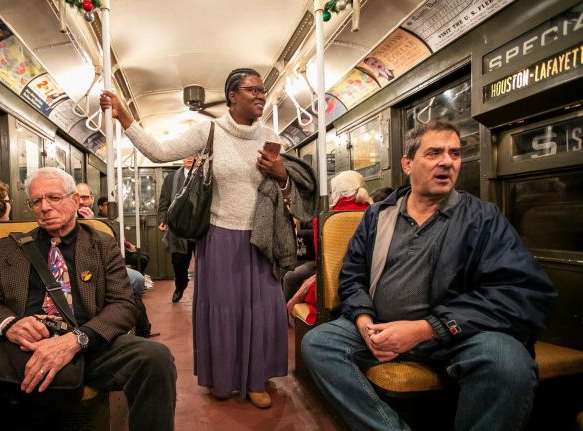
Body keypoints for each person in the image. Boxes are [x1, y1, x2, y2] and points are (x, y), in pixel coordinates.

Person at [301, 121, 556, 430]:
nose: (447, 161)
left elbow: (523, 293)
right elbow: (353, 277)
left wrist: (427, 328)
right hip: (380, 326)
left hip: (455, 335)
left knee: (507, 362)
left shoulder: (482, 218)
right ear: (407, 163)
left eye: (455, 154)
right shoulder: (378, 215)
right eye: (434, 152)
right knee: (318, 343)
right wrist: (364, 320)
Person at [0, 167, 176, 431]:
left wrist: (75, 341)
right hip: (18, 350)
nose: (45, 207)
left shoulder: (102, 245)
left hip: (87, 346)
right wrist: (10, 324)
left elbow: (123, 305)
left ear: (75, 201)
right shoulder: (5, 251)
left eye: (53, 197)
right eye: (36, 201)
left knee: (155, 358)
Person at [101, 68, 317, 409]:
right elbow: (157, 152)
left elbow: (290, 195)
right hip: (219, 236)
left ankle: (256, 379)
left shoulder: (272, 136)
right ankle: (224, 376)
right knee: (223, 309)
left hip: (262, 238)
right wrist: (125, 117)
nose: (261, 95)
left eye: (263, 90)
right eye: (252, 90)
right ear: (232, 95)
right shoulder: (210, 131)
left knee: (261, 310)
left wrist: (282, 175)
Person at [286, 170, 372, 324]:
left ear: (337, 193)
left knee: (293, 276)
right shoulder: (376, 213)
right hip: (370, 283)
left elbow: (321, 261)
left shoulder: (327, 220)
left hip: (332, 285)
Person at [75, 182, 156, 336]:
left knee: (136, 280)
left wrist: (93, 223)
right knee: (133, 282)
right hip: (80, 267)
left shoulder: (101, 222)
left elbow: (112, 244)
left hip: (101, 265)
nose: (80, 202)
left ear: (91, 200)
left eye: (85, 198)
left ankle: (140, 329)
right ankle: (142, 329)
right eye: (77, 197)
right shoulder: (67, 219)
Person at [158, 155, 198, 303]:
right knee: (179, 263)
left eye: (194, 155)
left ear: (200, 158)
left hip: (199, 227)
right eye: (186, 155)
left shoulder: (205, 176)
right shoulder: (171, 178)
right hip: (178, 228)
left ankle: (204, 292)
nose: (190, 158)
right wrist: (163, 219)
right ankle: (180, 285)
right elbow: (164, 201)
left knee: (205, 262)